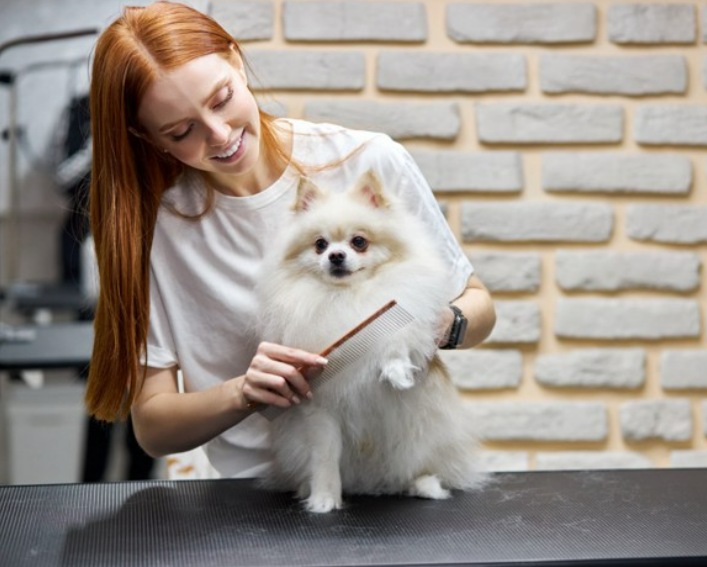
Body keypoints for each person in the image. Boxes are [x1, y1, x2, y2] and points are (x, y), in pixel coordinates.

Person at [85, 1, 496, 479]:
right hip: (258, 491)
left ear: (236, 60)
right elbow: (154, 429)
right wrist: (242, 393)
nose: (220, 136)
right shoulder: (158, 230)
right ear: (147, 136)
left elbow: (480, 309)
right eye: (182, 131)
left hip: (391, 477)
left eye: (221, 99)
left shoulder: (366, 162)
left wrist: (437, 323)